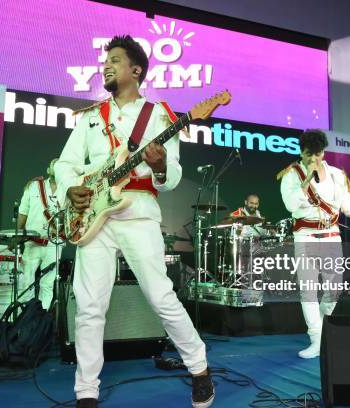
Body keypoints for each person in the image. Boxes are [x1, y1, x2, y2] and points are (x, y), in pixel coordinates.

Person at [54, 35, 213, 408]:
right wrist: (72, 187)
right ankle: (86, 391)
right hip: (94, 218)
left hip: (139, 212)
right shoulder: (91, 117)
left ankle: (200, 368)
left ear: (136, 69)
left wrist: (159, 166)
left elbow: (171, 176)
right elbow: (65, 164)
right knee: (90, 305)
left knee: (160, 296)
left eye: (114, 60)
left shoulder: (160, 115)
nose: (106, 65)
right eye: (105, 60)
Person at [278, 129, 350, 359]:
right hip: (305, 237)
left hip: (331, 237)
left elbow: (348, 205)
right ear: (301, 152)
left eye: (317, 154)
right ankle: (316, 340)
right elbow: (291, 205)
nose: (313, 159)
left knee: (333, 291)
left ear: (323, 152)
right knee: (308, 292)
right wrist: (307, 179)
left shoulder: (336, 175)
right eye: (308, 155)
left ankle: (325, 330)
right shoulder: (291, 175)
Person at [16, 158, 63, 310]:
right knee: (26, 283)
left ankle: (41, 320)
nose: (57, 165)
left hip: (54, 244)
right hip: (32, 242)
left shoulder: (69, 189)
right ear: (49, 169)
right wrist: (18, 236)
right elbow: (23, 213)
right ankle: (25, 319)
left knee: (47, 285)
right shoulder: (34, 186)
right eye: (54, 163)